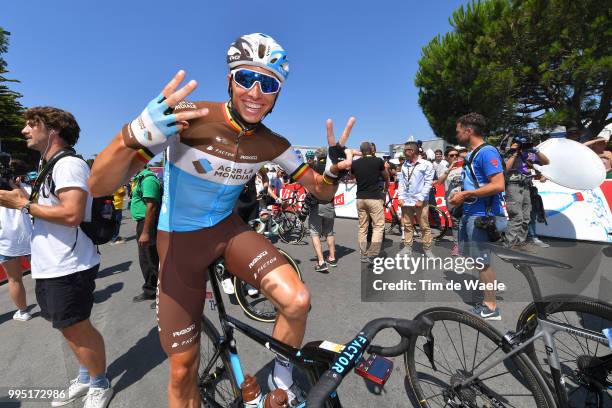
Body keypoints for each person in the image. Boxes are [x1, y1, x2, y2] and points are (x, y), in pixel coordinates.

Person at [88, 33, 354, 407]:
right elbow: (99, 183)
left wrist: (332, 171)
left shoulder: (273, 144)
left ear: (278, 93)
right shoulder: (189, 117)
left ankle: (281, 376)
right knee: (182, 372)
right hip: (179, 242)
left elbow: (321, 192)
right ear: (230, 79)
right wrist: (131, 135)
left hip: (227, 232)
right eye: (246, 78)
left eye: (269, 83)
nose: (256, 91)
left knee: (297, 299)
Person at [0, 107, 112, 407]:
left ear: (53, 131)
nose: (24, 130)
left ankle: (100, 382)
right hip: (51, 264)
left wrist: (23, 204)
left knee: (78, 326)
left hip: (70, 264)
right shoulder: (49, 165)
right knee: (67, 326)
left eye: (31, 125)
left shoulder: (69, 165)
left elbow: (72, 213)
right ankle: (86, 376)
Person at [448, 113, 505, 321]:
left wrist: (465, 194)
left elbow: (498, 185)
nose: (456, 134)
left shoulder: (486, 151)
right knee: (476, 259)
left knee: (482, 262)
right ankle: (486, 298)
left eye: (458, 130)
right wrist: (463, 197)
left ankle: (491, 307)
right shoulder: (472, 154)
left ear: (468, 130)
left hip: (483, 215)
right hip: (471, 213)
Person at [0, 159, 33, 321]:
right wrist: (15, 185)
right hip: (29, 237)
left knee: (14, 279)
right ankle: (52, 305)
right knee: (43, 274)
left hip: (5, 241)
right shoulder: (24, 189)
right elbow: (33, 203)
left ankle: (23, 311)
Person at [503, 135, 549, 250]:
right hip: (513, 186)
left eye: (527, 143)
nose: (525, 146)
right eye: (522, 144)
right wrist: (515, 152)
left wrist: (536, 150)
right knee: (516, 216)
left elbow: (546, 161)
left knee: (526, 217)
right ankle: (509, 244)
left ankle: (520, 243)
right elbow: (506, 168)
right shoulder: (510, 153)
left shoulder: (530, 154)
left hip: (526, 186)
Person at [351, 141, 388, 263]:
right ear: (371, 150)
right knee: (378, 226)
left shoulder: (355, 163)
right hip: (374, 197)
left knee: (362, 228)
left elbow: (352, 176)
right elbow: (386, 176)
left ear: (361, 151)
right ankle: (372, 253)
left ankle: (363, 254)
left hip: (360, 198)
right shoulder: (378, 161)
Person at [397, 141, 435, 258]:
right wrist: (400, 197)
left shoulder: (426, 164)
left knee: (424, 226)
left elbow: (428, 183)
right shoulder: (404, 165)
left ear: (412, 151)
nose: (404, 152)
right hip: (406, 201)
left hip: (420, 201)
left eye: (405, 150)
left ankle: (427, 249)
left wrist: (421, 198)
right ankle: (407, 247)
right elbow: (402, 183)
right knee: (407, 225)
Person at [130, 167, 162, 305]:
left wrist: (146, 231)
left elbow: (152, 206)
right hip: (142, 223)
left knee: (153, 260)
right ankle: (150, 290)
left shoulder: (148, 179)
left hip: (148, 223)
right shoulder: (139, 179)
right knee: (145, 259)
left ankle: (163, 296)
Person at [308, 147, 337, 272]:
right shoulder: (332, 168)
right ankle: (332, 257)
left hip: (316, 203)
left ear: (316, 157)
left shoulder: (313, 168)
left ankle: (321, 261)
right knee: (329, 232)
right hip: (329, 202)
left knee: (315, 233)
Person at [437, 146, 467, 256]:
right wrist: (450, 168)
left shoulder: (465, 167)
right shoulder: (444, 168)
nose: (455, 157)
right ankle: (457, 245)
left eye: (456, 155)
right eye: (451, 155)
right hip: (451, 200)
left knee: (466, 222)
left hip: (465, 198)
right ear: (446, 157)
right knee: (455, 223)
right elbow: (439, 182)